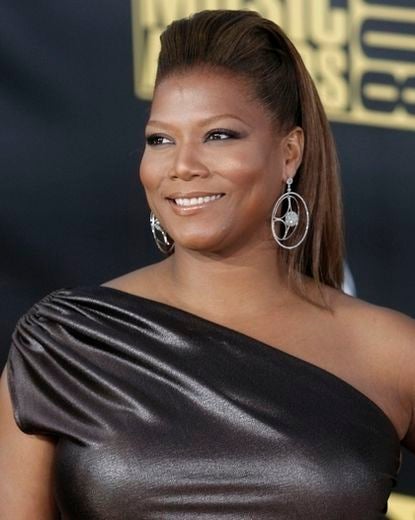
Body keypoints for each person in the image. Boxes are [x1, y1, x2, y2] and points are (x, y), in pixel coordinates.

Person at [0, 8, 414, 519]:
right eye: (160, 139)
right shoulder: (63, 342)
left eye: (218, 135)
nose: (183, 166)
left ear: (289, 152)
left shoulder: (389, 353)